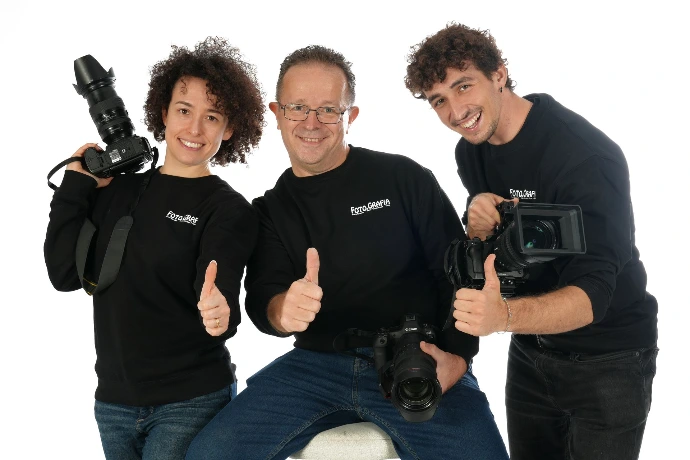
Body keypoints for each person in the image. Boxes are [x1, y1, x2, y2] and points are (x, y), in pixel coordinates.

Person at [186, 45, 508, 460]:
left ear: (350, 116)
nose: (311, 123)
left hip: (417, 356)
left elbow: (459, 278)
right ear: (277, 113)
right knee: (210, 453)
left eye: (328, 110)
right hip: (315, 368)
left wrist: (458, 359)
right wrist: (284, 312)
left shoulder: (403, 178)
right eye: (297, 108)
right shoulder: (269, 210)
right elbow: (264, 300)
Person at [404, 23, 659, 460]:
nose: (456, 112)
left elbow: (594, 295)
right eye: (438, 100)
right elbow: (501, 258)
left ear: (499, 74)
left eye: (463, 86)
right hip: (530, 349)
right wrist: (478, 225)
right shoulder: (471, 150)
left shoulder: (585, 157)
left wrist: (501, 316)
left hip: (609, 359)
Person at [44, 36, 265, 460]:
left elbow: (220, 298)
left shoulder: (227, 209)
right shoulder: (117, 190)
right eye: (184, 110)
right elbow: (64, 275)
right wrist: (75, 185)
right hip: (113, 403)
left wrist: (220, 313)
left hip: (189, 401)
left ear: (229, 128)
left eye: (212, 117)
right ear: (163, 113)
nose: (194, 129)